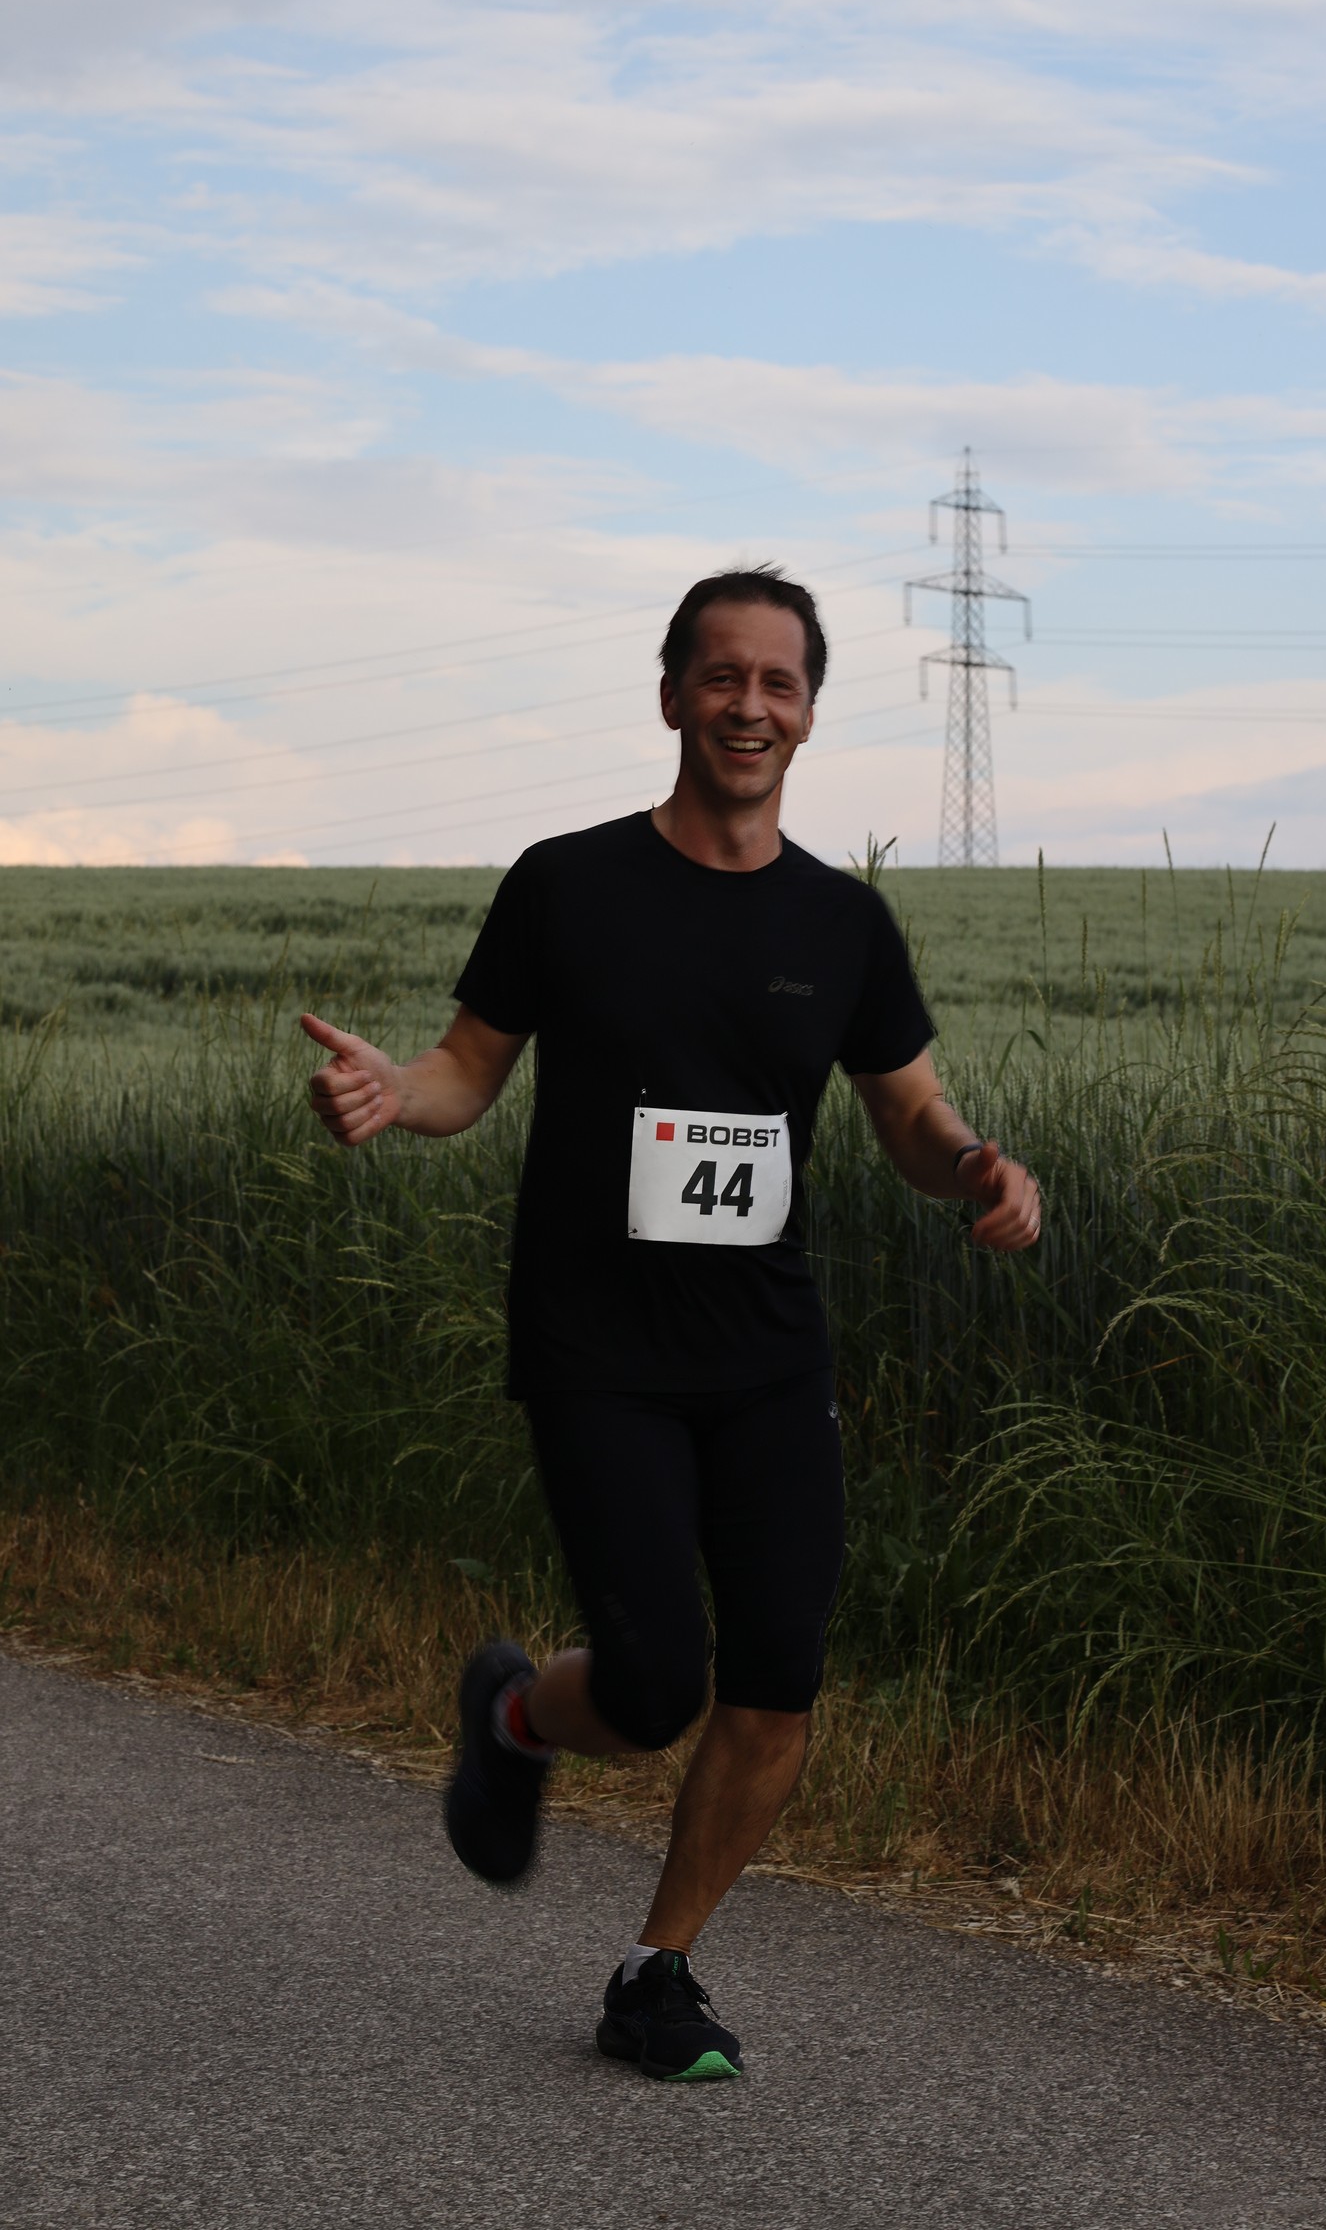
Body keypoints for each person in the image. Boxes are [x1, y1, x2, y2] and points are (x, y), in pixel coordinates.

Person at [302, 566, 1041, 2084]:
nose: (748, 707)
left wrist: (972, 1165)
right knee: (653, 1692)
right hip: (601, 1350)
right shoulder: (568, 885)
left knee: (778, 1676)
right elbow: (465, 1071)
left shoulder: (842, 922)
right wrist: (394, 1095)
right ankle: (519, 1717)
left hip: (768, 1351)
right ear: (671, 698)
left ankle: (658, 1972)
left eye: (778, 683)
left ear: (810, 713)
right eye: (722, 677)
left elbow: (909, 1113)